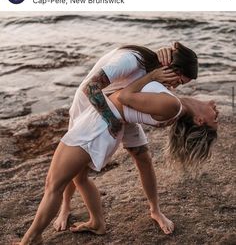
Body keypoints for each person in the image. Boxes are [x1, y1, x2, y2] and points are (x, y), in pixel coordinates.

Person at [15, 69, 218, 245]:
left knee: (55, 184)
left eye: (215, 118)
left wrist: (151, 76)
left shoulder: (173, 106)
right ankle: (95, 222)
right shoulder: (175, 101)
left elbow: (124, 97)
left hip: (103, 122)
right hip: (117, 118)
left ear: (199, 121)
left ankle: (31, 239)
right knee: (78, 176)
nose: (217, 111)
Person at [53, 42, 199, 233]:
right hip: (90, 107)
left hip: (123, 107)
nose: (174, 86)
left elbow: (151, 88)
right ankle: (65, 207)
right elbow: (90, 88)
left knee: (143, 157)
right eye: (178, 81)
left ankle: (155, 210)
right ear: (171, 67)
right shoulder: (129, 60)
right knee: (77, 170)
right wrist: (111, 121)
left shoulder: (156, 65)